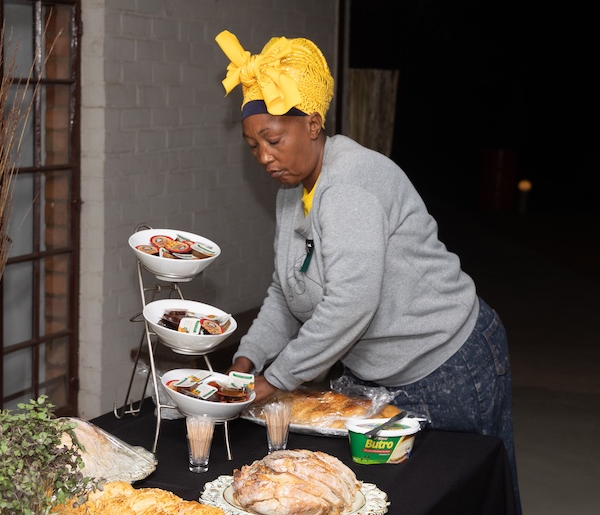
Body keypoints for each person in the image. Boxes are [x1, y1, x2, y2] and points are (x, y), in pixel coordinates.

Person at [215, 30, 521, 513]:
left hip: (447, 362)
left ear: (313, 124)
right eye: (253, 146)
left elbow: (351, 303)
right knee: (380, 499)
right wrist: (246, 363)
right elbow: (286, 291)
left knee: (460, 498)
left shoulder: (350, 184)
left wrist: (276, 379)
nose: (265, 157)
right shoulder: (292, 191)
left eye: (272, 140)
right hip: (377, 376)